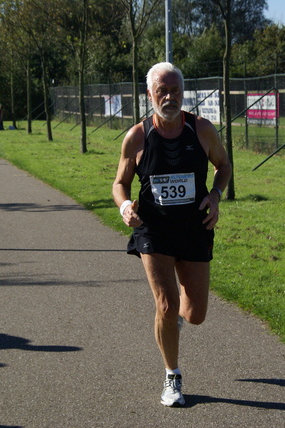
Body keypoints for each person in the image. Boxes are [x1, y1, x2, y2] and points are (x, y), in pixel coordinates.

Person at [112, 62, 231, 407]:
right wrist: (124, 208)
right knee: (166, 304)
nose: (169, 97)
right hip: (154, 231)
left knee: (194, 314)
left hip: (195, 228)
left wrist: (215, 195)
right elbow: (120, 183)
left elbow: (223, 165)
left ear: (183, 92)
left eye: (175, 90)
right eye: (162, 91)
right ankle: (172, 377)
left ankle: (175, 321)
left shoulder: (202, 130)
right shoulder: (137, 136)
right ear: (149, 95)